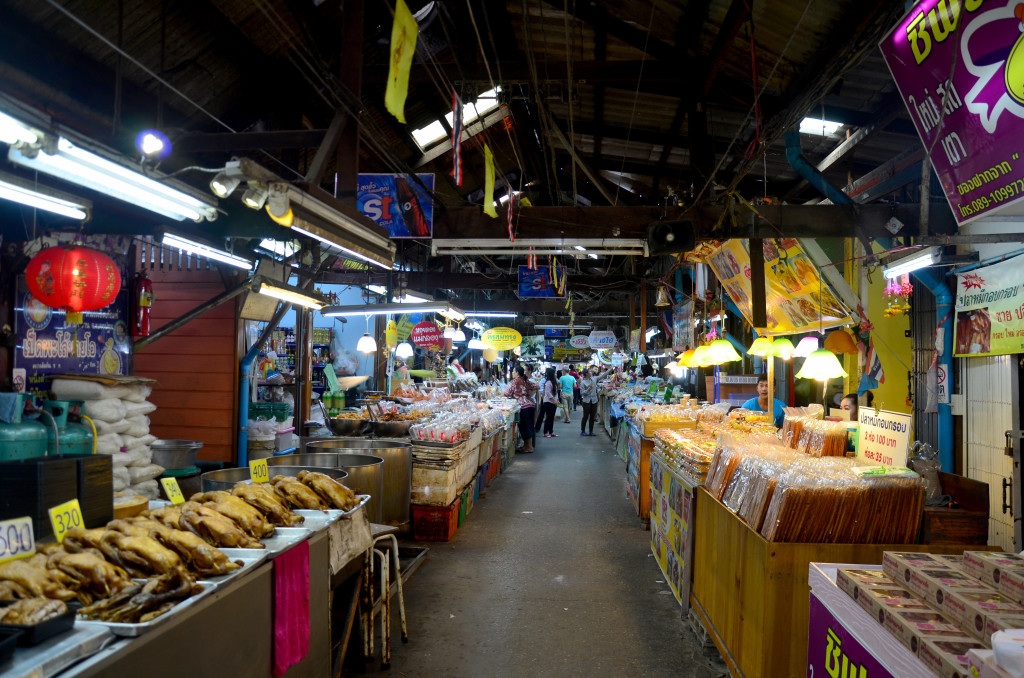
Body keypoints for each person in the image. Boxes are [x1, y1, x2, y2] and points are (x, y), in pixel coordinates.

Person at [504, 365, 538, 453]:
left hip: (523, 407)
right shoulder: (525, 380)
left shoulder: (514, 381)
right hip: (530, 405)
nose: (512, 373)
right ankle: (526, 446)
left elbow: (507, 394)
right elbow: (536, 387)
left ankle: (530, 447)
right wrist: (528, 396)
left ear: (517, 373)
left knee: (524, 427)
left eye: (513, 371)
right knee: (529, 426)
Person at [578, 368, 601, 436]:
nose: (591, 372)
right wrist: (588, 389)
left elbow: (603, 375)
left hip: (594, 401)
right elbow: (582, 393)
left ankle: (591, 431)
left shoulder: (594, 379)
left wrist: (611, 368)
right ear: (586, 374)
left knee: (592, 416)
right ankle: (583, 431)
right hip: (586, 401)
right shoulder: (583, 382)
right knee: (585, 416)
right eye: (590, 371)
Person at [539, 368, 560, 437]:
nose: (556, 375)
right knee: (548, 417)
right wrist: (554, 400)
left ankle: (551, 431)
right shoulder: (548, 383)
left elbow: (556, 392)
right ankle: (545, 432)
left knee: (552, 417)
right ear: (552, 374)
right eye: (555, 373)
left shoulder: (555, 382)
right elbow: (548, 393)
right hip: (548, 402)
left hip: (554, 402)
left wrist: (557, 400)